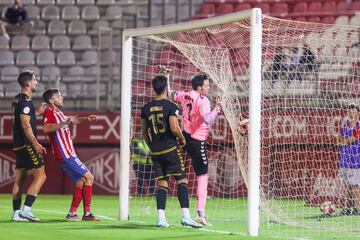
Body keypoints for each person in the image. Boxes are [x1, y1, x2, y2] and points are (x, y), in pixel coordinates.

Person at [141, 75, 201, 228]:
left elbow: (144, 133)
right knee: (182, 180)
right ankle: (186, 217)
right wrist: (182, 138)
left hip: (156, 152)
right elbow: (174, 128)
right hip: (170, 149)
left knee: (162, 184)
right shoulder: (170, 106)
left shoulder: (145, 108)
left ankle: (161, 219)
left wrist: (152, 147)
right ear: (166, 88)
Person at [170, 74, 221, 226]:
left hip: (185, 137)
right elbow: (208, 119)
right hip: (197, 141)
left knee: (178, 173)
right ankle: (201, 213)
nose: (208, 87)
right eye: (206, 85)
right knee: (202, 176)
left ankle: (165, 212)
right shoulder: (203, 100)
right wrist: (218, 108)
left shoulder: (185, 94)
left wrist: (166, 77)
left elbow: (170, 93)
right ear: (199, 88)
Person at [42, 88, 100, 221]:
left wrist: (87, 118)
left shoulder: (59, 113)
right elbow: (46, 128)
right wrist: (64, 123)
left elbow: (73, 120)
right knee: (89, 178)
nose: (62, 98)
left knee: (81, 181)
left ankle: (72, 214)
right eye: (59, 96)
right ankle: (87, 214)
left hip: (66, 153)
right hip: (65, 153)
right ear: (51, 100)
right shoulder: (50, 112)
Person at [11, 70, 47, 222]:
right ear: (27, 83)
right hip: (27, 144)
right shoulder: (26, 101)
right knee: (41, 175)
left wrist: (36, 113)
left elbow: (22, 119)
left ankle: (16, 214)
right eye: (34, 79)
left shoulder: (17, 100)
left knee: (20, 179)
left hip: (18, 145)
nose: (36, 82)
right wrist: (35, 143)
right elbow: (26, 126)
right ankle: (27, 210)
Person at [337, 103, 360, 215]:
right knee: (346, 185)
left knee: (355, 185)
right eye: (350, 110)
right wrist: (344, 141)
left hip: (356, 159)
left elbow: (354, 139)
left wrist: (344, 141)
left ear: (357, 113)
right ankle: (346, 208)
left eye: (354, 110)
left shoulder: (359, 125)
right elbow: (338, 140)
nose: (352, 112)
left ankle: (357, 208)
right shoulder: (344, 125)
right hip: (344, 158)